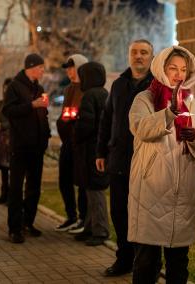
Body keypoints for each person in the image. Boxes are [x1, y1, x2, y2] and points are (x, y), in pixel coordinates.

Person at [128, 46, 195, 283]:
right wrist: (169, 113)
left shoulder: (192, 103)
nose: (179, 74)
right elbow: (140, 128)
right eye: (173, 68)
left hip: (181, 192)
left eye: (184, 69)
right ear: (161, 69)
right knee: (146, 262)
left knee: (178, 263)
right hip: (151, 190)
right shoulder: (145, 98)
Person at [96, 39, 154, 277]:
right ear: (129, 56)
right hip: (119, 160)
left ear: (151, 57)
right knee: (119, 212)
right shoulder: (118, 84)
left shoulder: (157, 85)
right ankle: (124, 258)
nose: (138, 56)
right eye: (134, 52)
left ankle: (144, 262)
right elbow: (107, 118)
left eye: (144, 52)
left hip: (146, 162)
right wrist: (101, 151)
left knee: (142, 215)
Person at [3, 53, 51, 243]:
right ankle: (14, 228)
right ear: (31, 67)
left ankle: (27, 222)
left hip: (37, 146)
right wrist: (32, 105)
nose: (43, 70)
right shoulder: (15, 86)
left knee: (34, 188)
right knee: (16, 187)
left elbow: (42, 113)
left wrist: (45, 134)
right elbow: (9, 111)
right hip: (20, 145)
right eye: (41, 67)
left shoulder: (38, 87)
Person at [72, 61, 110, 246]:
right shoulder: (104, 94)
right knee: (91, 190)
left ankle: (100, 230)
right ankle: (90, 227)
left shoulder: (89, 96)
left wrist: (75, 134)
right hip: (99, 149)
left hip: (91, 151)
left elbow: (86, 125)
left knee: (95, 191)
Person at [55, 54, 88, 232]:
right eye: (67, 68)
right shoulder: (68, 89)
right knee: (64, 179)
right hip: (67, 141)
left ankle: (83, 217)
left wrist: (75, 118)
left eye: (71, 67)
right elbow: (64, 113)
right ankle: (71, 215)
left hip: (81, 142)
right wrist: (62, 121)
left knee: (82, 181)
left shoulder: (87, 89)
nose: (68, 71)